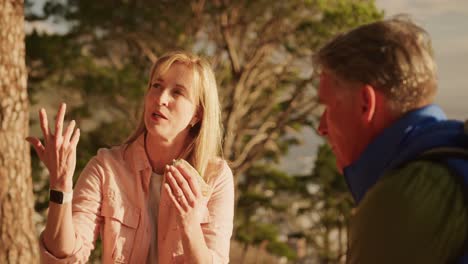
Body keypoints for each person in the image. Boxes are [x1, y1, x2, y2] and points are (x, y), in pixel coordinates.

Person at [27, 51, 235, 263]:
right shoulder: (106, 167)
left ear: (197, 114)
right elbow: (65, 256)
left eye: (177, 93)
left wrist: (190, 224)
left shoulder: (216, 177)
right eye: (157, 86)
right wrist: (60, 186)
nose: (161, 98)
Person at [313, 16, 468, 263]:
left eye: (329, 106)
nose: (321, 127)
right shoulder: (451, 157)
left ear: (366, 103)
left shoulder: (399, 203)